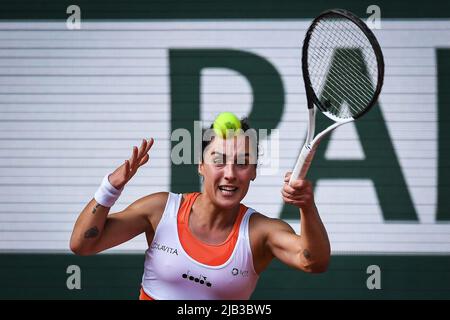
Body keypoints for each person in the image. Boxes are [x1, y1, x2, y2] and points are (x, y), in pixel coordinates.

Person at [70, 116, 330, 300]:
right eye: (219, 161)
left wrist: (306, 206)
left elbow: (314, 262)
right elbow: (83, 245)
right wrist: (110, 188)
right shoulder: (161, 210)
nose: (230, 173)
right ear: (200, 166)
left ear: (253, 172)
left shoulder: (261, 232)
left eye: (242, 163)